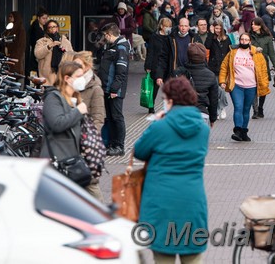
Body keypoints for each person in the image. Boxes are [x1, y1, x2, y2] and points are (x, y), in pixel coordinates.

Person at [134, 77, 209, 264]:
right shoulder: (203, 128)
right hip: (192, 200)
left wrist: (156, 123)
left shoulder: (160, 127)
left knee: (163, 256)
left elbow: (140, 151)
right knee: (192, 256)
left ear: (171, 101)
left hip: (160, 201)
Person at [63, 51, 106, 201]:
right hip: (68, 141)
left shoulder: (95, 88)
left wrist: (88, 140)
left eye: (78, 65)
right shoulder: (72, 84)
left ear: (87, 67)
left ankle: (102, 216)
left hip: (85, 144)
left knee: (89, 182)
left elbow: (99, 118)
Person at [40, 61, 89, 186]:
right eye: (79, 77)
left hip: (71, 161)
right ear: (67, 78)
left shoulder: (75, 99)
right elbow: (57, 123)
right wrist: (78, 111)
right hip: (57, 162)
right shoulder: (53, 98)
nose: (82, 80)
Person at [219, 33, 269, 142]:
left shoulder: (257, 54)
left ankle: (244, 132)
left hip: (251, 86)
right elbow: (224, 66)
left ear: (250, 41)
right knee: (238, 106)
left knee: (246, 109)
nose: (244, 41)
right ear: (239, 40)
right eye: (242, 39)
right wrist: (222, 81)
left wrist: (264, 85)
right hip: (236, 85)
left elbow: (263, 70)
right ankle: (237, 130)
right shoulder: (233, 52)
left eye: (246, 40)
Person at [98, 23, 130, 156]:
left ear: (109, 34)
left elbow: (121, 71)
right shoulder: (112, 46)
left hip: (114, 90)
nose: (104, 38)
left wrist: (114, 88)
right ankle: (111, 144)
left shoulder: (120, 47)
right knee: (110, 117)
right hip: (108, 88)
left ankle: (119, 146)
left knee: (117, 117)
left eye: (105, 35)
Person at [155, 18, 199, 87]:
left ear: (189, 27)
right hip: (174, 73)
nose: (183, 28)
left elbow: (200, 57)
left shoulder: (194, 38)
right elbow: (163, 57)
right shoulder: (171, 38)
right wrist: (159, 76)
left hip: (190, 73)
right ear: (178, 26)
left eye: (185, 26)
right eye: (181, 26)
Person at [183, 43, 218, 126]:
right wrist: (213, 118)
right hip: (201, 113)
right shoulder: (210, 75)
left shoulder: (180, 72)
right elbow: (213, 99)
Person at [250, 17, 275, 118]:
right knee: (253, 87)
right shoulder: (249, 36)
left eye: (255, 24)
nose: (253, 26)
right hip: (251, 65)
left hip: (263, 65)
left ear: (260, 25)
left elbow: (272, 54)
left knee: (263, 86)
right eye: (252, 24)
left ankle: (261, 107)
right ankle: (255, 110)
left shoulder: (267, 37)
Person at [144, 18, 172, 113]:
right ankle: (151, 105)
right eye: (166, 26)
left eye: (169, 26)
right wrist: (148, 65)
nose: (168, 28)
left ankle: (169, 106)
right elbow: (150, 51)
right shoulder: (154, 37)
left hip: (168, 65)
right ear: (161, 26)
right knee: (155, 87)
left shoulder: (170, 37)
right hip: (156, 65)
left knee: (168, 86)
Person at [34, 20, 74, 85]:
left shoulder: (65, 41)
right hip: (46, 77)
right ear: (47, 29)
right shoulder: (41, 41)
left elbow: (71, 57)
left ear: (58, 28)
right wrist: (49, 46)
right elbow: (37, 54)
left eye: (54, 26)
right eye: (50, 27)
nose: (53, 29)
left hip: (61, 76)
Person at [210, 20, 232, 120]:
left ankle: (222, 107)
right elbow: (207, 45)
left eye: (219, 28)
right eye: (216, 28)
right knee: (216, 90)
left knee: (222, 89)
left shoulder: (226, 39)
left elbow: (230, 52)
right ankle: (218, 109)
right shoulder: (212, 38)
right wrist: (211, 34)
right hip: (213, 67)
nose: (218, 30)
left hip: (223, 67)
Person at [27, 7, 49, 76]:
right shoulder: (35, 28)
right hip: (35, 53)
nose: (45, 20)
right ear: (38, 18)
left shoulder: (45, 28)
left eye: (46, 18)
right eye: (43, 18)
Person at [4, 11, 26, 77]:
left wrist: (15, 54)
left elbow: (21, 45)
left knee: (15, 73)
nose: (9, 18)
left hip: (16, 56)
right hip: (8, 55)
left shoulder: (20, 30)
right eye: (9, 17)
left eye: (11, 17)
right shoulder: (9, 29)